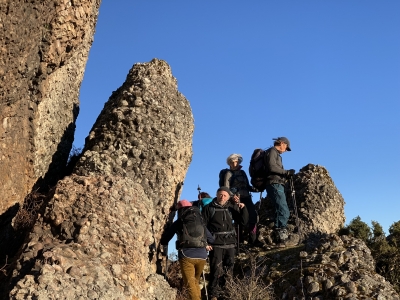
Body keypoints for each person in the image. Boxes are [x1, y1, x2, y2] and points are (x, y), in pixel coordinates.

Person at [160, 200, 214, 300]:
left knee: (190, 285)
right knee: (195, 282)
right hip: (202, 256)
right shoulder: (200, 221)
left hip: (187, 255)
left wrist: (162, 241)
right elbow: (211, 239)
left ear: (180, 210)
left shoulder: (180, 220)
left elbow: (167, 237)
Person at [202, 187, 249, 300]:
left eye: (224, 195)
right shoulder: (208, 208)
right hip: (215, 244)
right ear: (216, 195)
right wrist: (206, 241)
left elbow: (244, 221)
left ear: (228, 197)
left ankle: (227, 292)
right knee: (215, 270)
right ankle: (214, 294)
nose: (222, 197)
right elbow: (202, 226)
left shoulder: (232, 207)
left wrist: (243, 209)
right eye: (220, 194)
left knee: (229, 270)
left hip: (230, 244)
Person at [263, 137, 295, 247]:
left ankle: (278, 237)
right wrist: (286, 172)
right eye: (286, 147)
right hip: (275, 184)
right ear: (282, 143)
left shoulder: (273, 153)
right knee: (283, 209)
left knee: (279, 209)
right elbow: (272, 167)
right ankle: (282, 238)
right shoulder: (272, 151)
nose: (286, 150)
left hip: (275, 184)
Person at [221, 154, 259, 246]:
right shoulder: (228, 174)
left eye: (236, 162)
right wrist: (232, 197)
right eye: (233, 162)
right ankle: (239, 242)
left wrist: (257, 188)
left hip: (247, 198)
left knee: (253, 216)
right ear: (229, 163)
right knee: (240, 219)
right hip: (236, 200)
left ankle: (253, 240)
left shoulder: (242, 172)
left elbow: (247, 186)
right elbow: (226, 188)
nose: (235, 164)